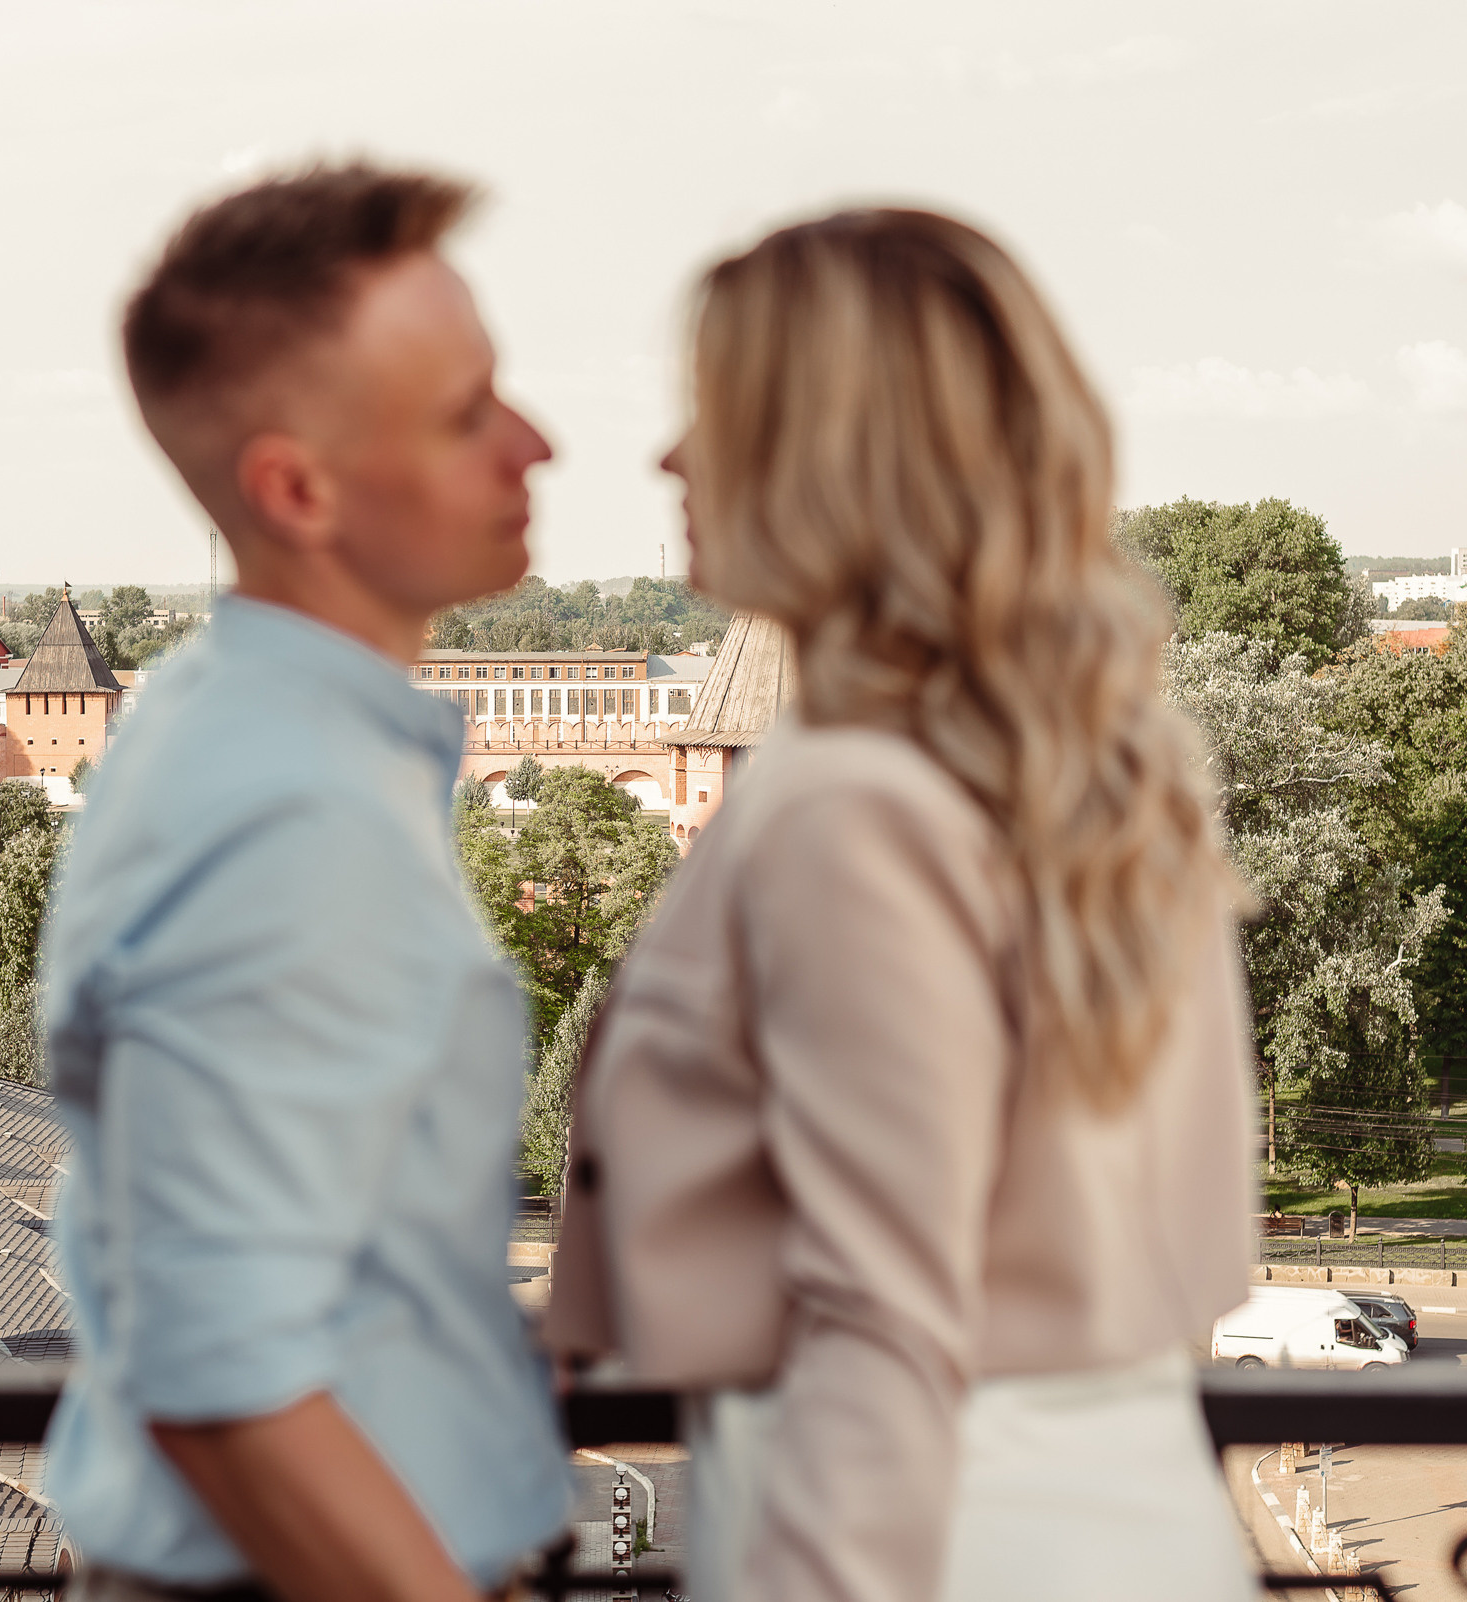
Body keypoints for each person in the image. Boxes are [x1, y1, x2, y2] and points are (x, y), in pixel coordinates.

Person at [544, 209, 1261, 1602]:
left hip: (912, 1541)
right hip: (1119, 1518)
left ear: (831, 461)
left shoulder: (850, 805)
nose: (668, 457)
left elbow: (876, 1329)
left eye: (719, 412)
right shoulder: (1103, 777)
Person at [40, 164, 571, 1602]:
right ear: (296, 486)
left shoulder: (254, 736)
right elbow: (221, 1375)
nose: (537, 443)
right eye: (466, 412)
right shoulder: (293, 807)